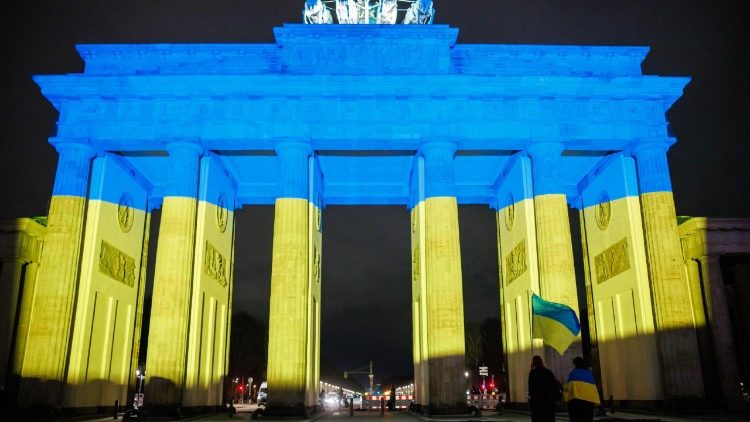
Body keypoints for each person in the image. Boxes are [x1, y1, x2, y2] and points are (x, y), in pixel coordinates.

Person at [563, 357, 600, 422]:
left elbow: (567, 389)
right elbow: (593, 389)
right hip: (588, 403)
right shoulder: (589, 374)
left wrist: (563, 395)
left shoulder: (573, 373)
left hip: (575, 403)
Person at [528, 355, 560, 422]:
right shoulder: (548, 372)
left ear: (533, 363)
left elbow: (530, 388)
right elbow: (554, 384)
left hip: (537, 401)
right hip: (548, 401)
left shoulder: (532, 373)